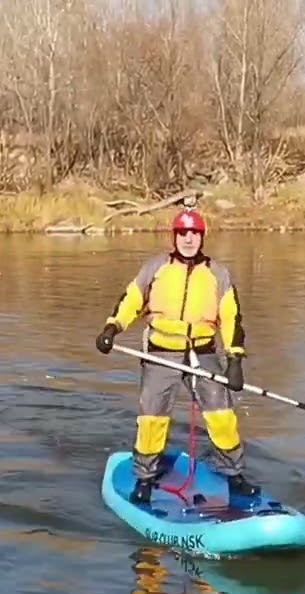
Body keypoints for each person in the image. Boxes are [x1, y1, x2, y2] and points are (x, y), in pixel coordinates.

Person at [94, 208, 258, 505]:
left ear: (202, 237)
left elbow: (232, 317)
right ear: (175, 236)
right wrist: (111, 328)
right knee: (152, 417)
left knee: (222, 415)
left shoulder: (218, 274)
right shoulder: (155, 267)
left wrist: (235, 360)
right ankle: (144, 478)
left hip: (203, 352)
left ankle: (233, 475)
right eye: (183, 233)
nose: (188, 239)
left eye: (194, 233)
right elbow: (131, 300)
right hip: (161, 352)